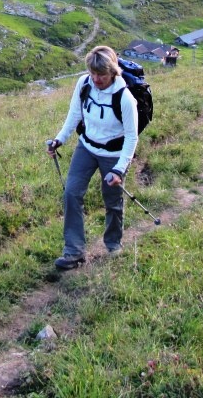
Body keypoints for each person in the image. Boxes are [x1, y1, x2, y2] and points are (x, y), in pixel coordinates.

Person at [47, 45, 138, 270]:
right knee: (71, 193)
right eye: (93, 74)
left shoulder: (125, 98)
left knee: (113, 201)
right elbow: (74, 115)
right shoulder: (84, 83)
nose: (96, 79)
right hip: (86, 147)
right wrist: (59, 140)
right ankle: (73, 252)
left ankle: (113, 245)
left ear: (113, 73)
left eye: (102, 75)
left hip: (113, 155)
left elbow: (131, 137)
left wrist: (119, 169)